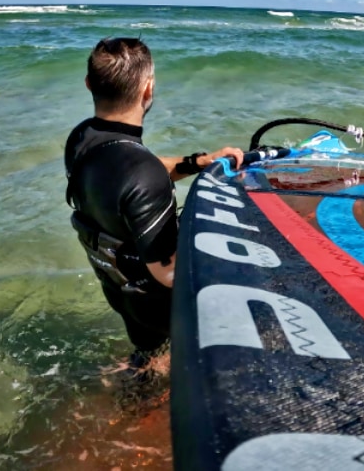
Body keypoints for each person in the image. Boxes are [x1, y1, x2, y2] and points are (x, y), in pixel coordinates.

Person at [63, 37, 243, 376]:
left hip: (117, 286)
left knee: (144, 360)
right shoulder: (142, 172)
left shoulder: (82, 139)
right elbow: (170, 274)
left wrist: (196, 162)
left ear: (89, 84)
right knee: (164, 377)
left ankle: (131, 381)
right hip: (157, 304)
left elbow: (125, 178)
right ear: (148, 90)